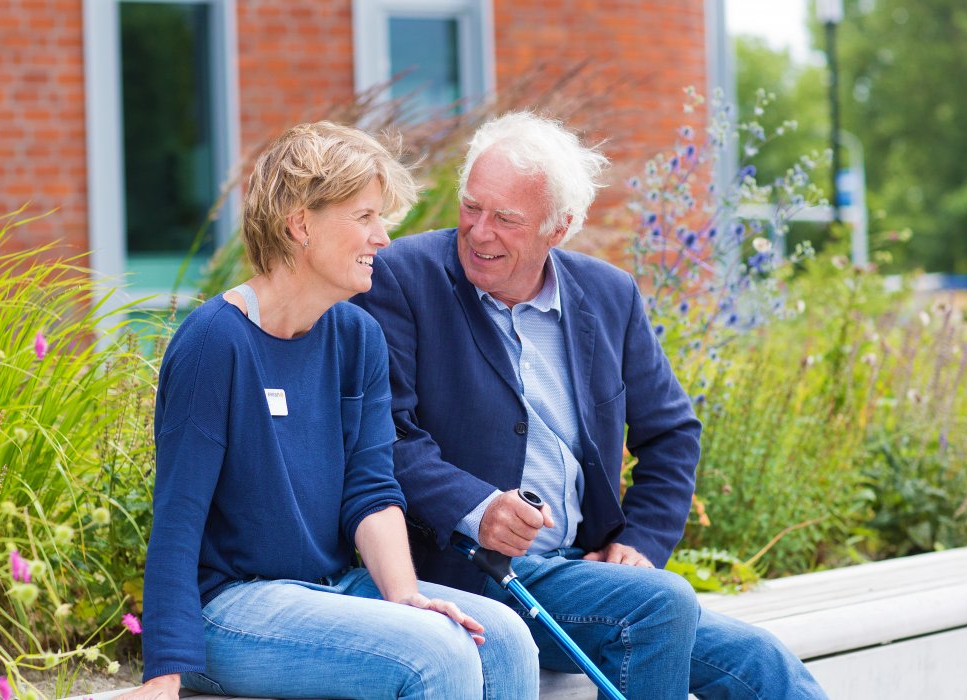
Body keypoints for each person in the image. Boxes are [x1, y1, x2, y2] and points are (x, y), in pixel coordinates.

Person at [353, 112, 829, 699]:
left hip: (585, 570)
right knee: (657, 608)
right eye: (471, 207)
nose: (478, 232)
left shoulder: (610, 294)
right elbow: (387, 434)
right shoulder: (401, 277)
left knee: (761, 662)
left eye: (506, 219)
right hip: (469, 572)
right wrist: (477, 508)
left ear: (561, 227)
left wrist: (643, 543)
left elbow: (672, 432)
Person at [125, 122, 539, 700]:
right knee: (435, 653)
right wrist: (163, 679)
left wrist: (404, 597)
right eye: (365, 216)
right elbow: (177, 521)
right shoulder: (215, 343)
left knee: (505, 639)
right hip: (231, 607)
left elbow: (372, 490)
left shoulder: (357, 337)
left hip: (332, 588)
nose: (383, 238)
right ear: (300, 224)